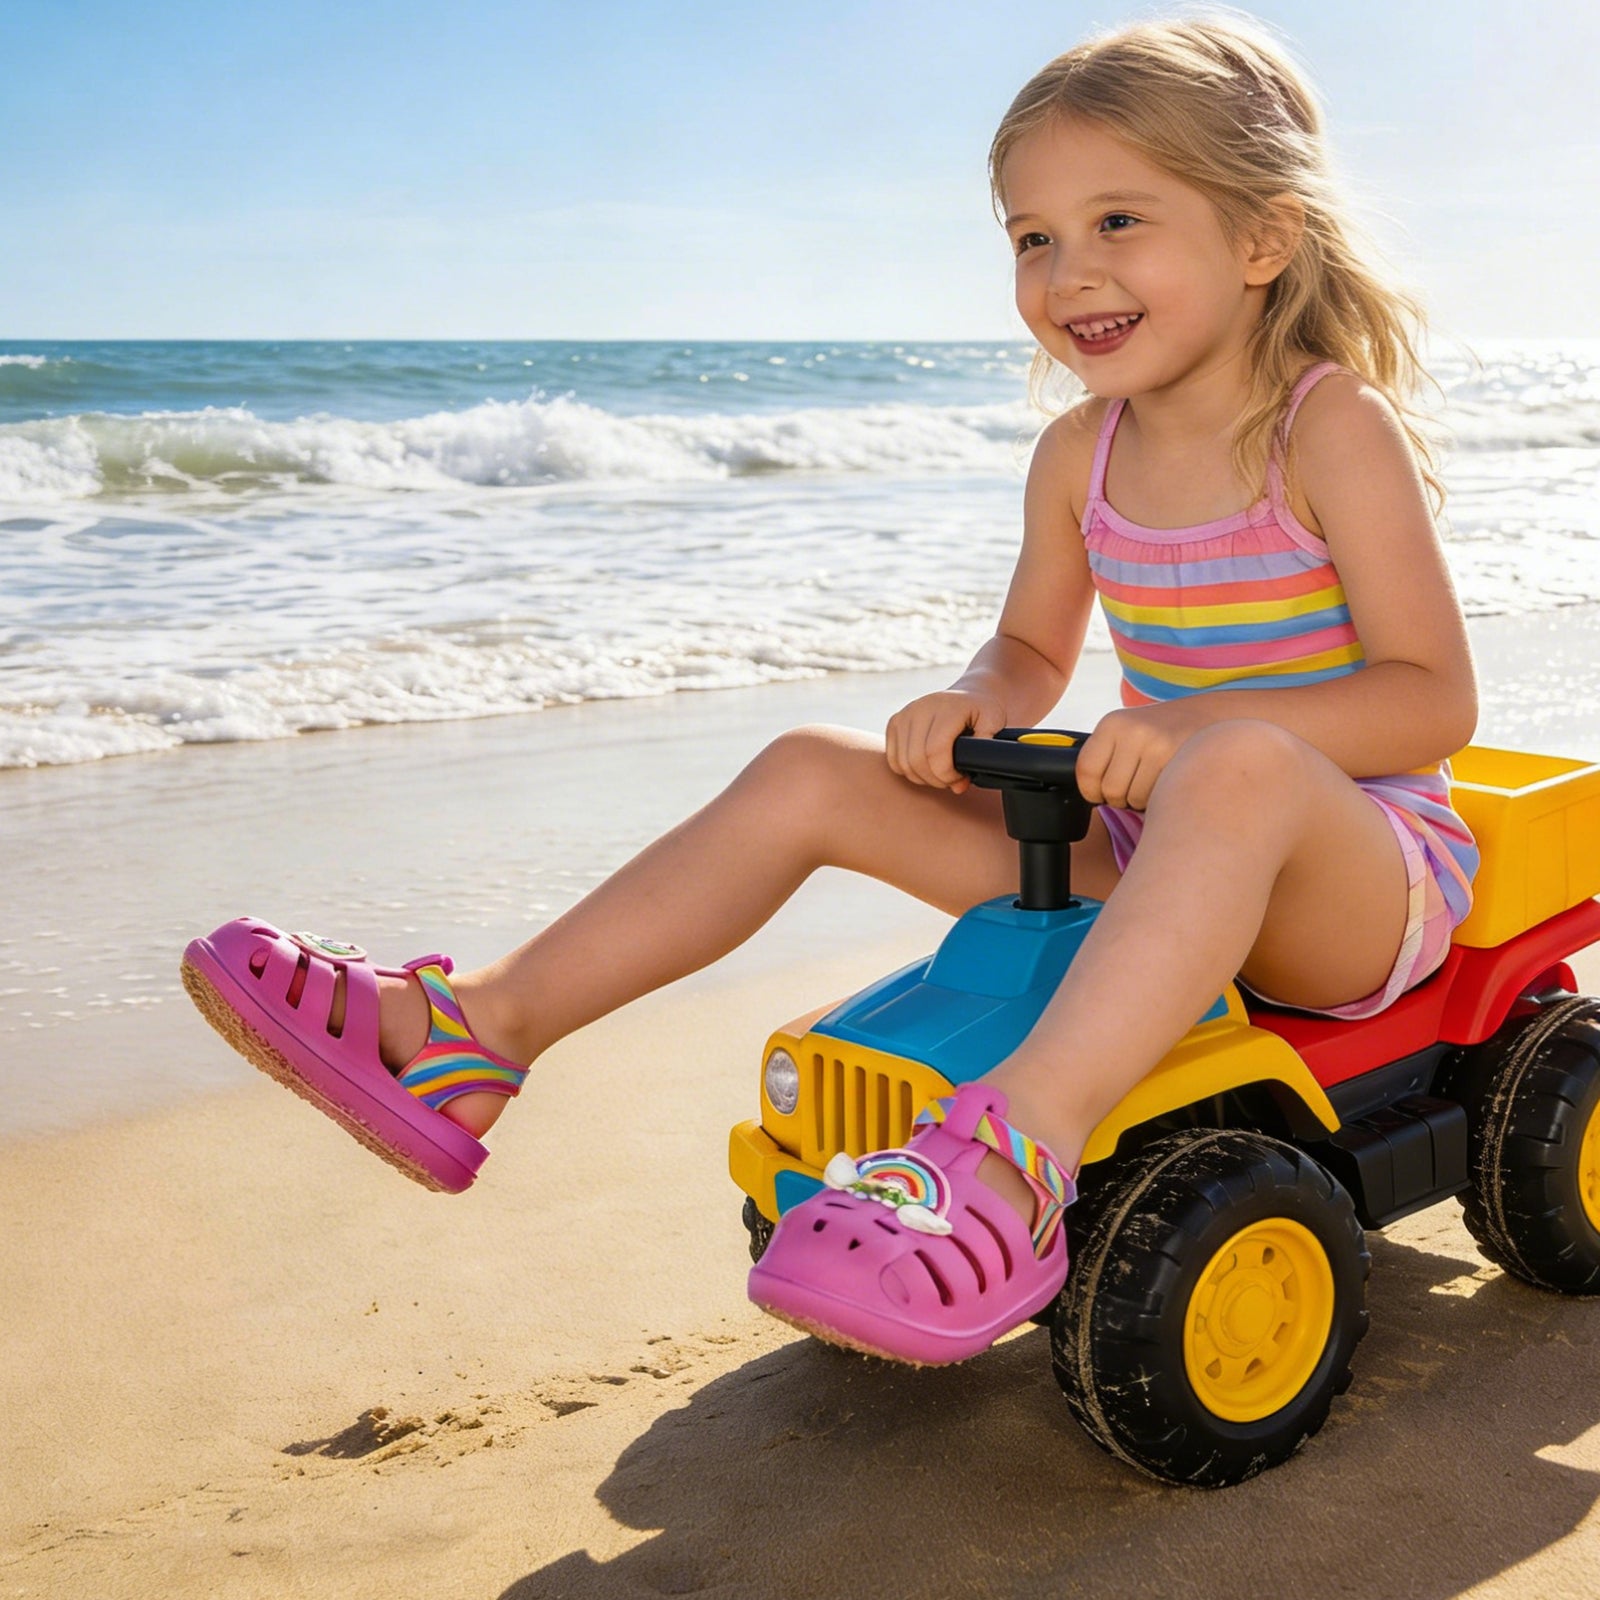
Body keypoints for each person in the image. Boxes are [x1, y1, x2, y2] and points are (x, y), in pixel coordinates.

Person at [182, 13, 1479, 1368]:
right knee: (812, 764)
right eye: (1032, 237)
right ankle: (472, 1034)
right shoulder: (1074, 458)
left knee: (1243, 767)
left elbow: (1431, 697)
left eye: (1117, 221)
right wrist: (983, 691)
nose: (1067, 271)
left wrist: (1206, 731)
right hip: (1170, 836)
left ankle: (1017, 1151)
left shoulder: (1326, 425)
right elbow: (1033, 655)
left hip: (1357, 878)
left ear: (1262, 240)